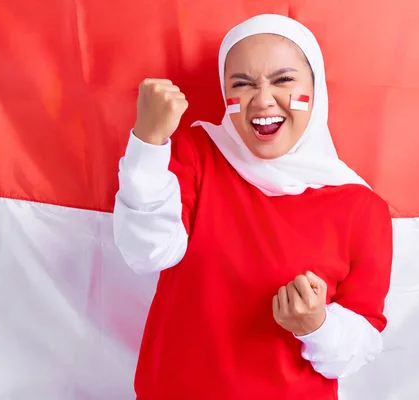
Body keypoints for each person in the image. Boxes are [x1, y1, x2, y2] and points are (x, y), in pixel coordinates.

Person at [113, 13, 393, 400]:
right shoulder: (198, 155)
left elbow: (358, 350)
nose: (262, 99)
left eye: (283, 80)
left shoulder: (363, 209)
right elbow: (146, 252)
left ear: (317, 87)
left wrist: (317, 324)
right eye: (241, 84)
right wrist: (147, 141)